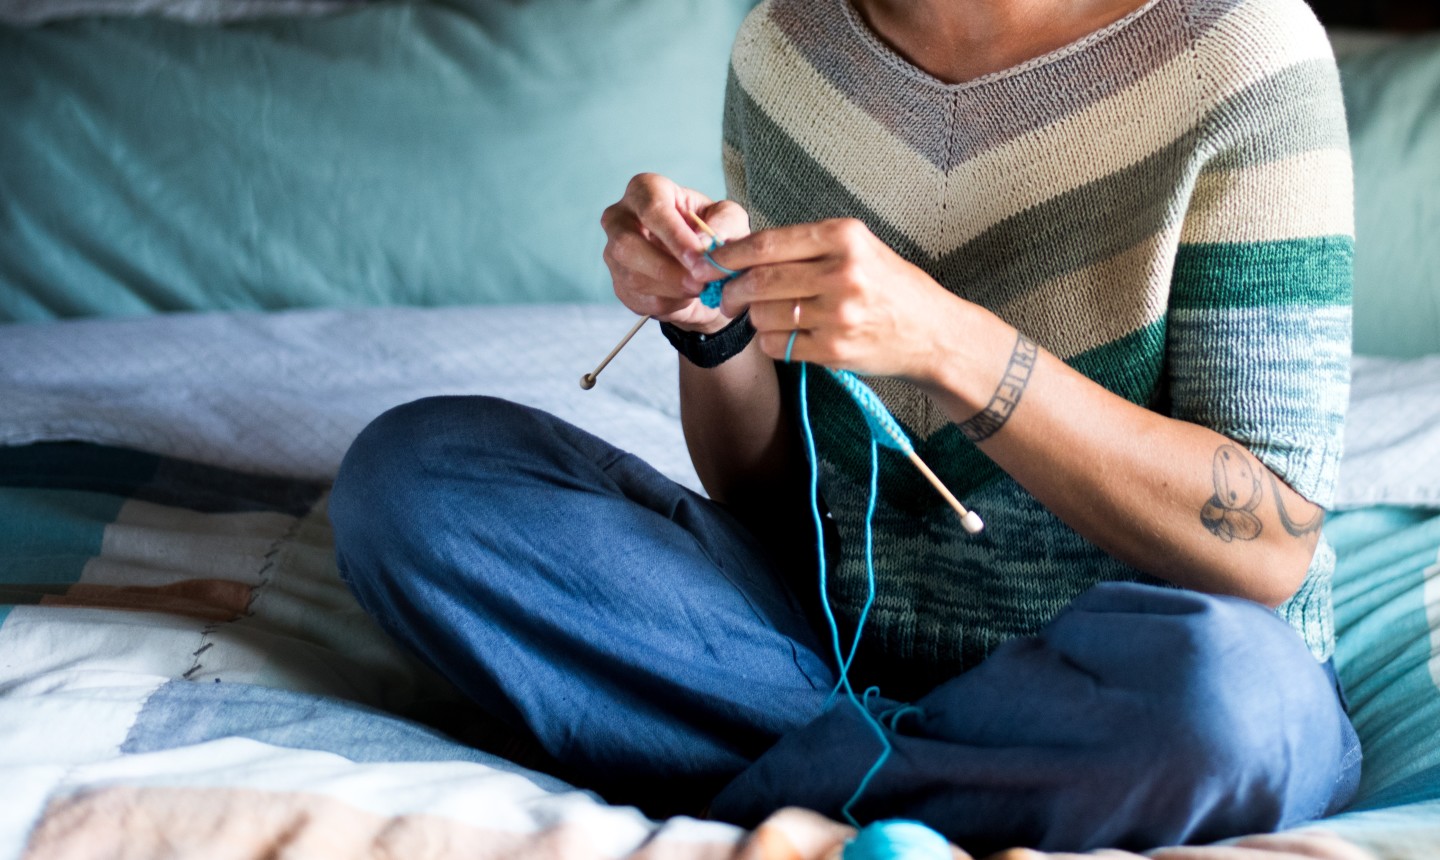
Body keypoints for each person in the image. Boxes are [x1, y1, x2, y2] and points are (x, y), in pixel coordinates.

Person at [329, 0, 1361, 852]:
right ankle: (926, 788)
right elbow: (773, 500)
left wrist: (951, 346)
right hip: (821, 641)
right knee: (413, 479)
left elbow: (1270, 546)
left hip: (1119, 680)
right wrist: (714, 324)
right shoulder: (791, 47)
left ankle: (775, 798)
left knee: (1243, 706)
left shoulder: (1243, 55)